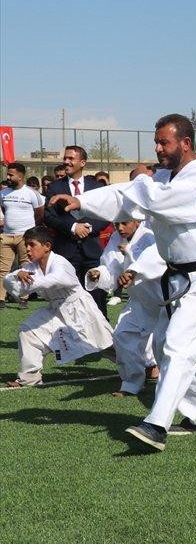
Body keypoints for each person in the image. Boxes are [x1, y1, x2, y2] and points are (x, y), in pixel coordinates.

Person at [51, 114, 196, 451]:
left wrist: (140, 183)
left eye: (163, 142)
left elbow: (149, 199)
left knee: (179, 345)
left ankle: (156, 425)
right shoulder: (165, 176)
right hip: (180, 277)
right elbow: (129, 196)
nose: (158, 148)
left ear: (184, 143)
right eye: (157, 141)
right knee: (168, 346)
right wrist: (85, 202)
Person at [4, 227, 115, 387]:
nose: (27, 249)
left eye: (31, 245)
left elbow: (52, 280)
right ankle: (29, 378)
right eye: (26, 245)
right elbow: (8, 282)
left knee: (106, 344)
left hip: (79, 309)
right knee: (28, 331)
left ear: (47, 246)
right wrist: (16, 275)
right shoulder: (32, 268)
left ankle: (143, 366)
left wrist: (23, 280)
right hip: (56, 310)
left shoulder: (60, 263)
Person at [85, 210, 166, 397]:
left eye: (124, 223)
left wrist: (130, 259)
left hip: (161, 300)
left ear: (137, 221)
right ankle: (131, 384)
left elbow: (155, 262)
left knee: (170, 347)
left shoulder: (150, 236)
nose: (120, 228)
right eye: (116, 224)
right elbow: (110, 266)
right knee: (122, 336)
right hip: (138, 302)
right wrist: (98, 273)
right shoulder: (115, 238)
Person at [43, 145, 108, 317]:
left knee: (97, 297)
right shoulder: (55, 188)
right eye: (65, 158)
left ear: (83, 162)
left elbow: (106, 212)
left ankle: (103, 339)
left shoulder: (96, 186)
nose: (66, 162)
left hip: (92, 251)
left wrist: (88, 227)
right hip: (66, 251)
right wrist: (73, 227)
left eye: (71, 158)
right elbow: (49, 217)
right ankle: (65, 337)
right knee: (65, 298)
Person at [2, 162, 45, 307]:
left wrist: (30, 232)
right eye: (7, 174)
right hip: (6, 235)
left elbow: (39, 214)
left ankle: (24, 298)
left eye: (10, 175)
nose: (7, 177)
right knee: (2, 268)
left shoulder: (32, 193)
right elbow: (4, 209)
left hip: (24, 236)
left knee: (26, 267)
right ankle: (1, 299)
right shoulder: (3, 193)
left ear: (20, 176)